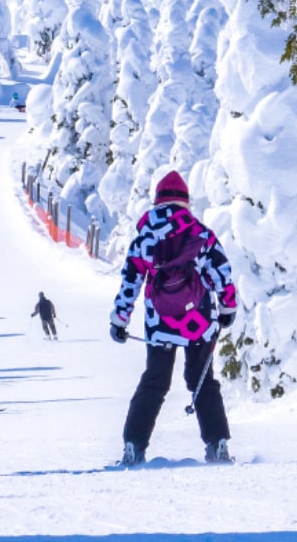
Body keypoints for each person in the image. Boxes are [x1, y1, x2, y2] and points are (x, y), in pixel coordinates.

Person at [109, 170, 237, 466]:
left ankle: (133, 445)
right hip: (199, 322)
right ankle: (217, 444)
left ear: (157, 202)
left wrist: (120, 319)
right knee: (202, 381)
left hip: (160, 323)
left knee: (154, 382)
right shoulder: (201, 233)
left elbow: (131, 281)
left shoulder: (145, 237)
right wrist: (227, 308)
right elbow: (222, 273)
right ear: (184, 202)